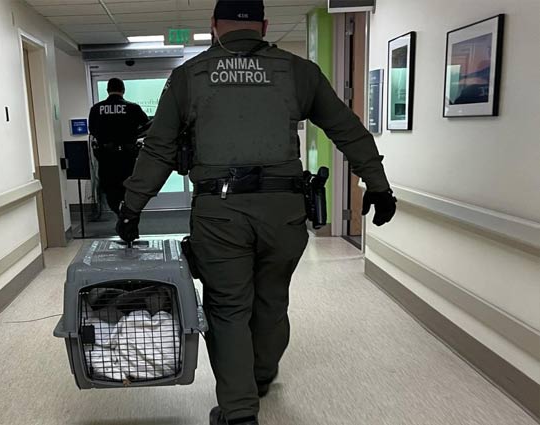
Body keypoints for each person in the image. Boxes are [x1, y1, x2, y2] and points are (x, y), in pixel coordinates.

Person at [116, 1, 397, 424]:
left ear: (213, 27)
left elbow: (159, 149)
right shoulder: (297, 72)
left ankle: (239, 412)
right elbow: (347, 128)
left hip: (220, 213)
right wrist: (377, 184)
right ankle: (261, 376)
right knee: (271, 301)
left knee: (228, 308)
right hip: (283, 211)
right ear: (264, 25)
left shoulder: (189, 76)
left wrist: (131, 207)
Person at [89, 78, 150, 215]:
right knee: (128, 186)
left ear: (107, 90)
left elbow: (92, 130)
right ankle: (128, 214)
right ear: (123, 90)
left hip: (106, 157)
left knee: (109, 187)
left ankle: (117, 211)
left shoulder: (96, 109)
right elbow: (147, 126)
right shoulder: (132, 108)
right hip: (127, 156)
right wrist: (134, 135)